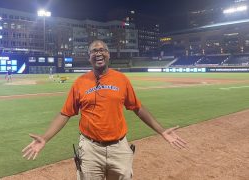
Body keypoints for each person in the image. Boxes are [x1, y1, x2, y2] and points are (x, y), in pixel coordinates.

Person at [22, 40, 187, 180]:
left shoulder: (121, 79)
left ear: (108, 54)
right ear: (89, 57)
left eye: (102, 50)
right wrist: (45, 138)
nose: (98, 53)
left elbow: (137, 107)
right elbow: (65, 113)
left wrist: (162, 131)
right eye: (94, 51)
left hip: (119, 147)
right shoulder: (79, 83)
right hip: (90, 149)